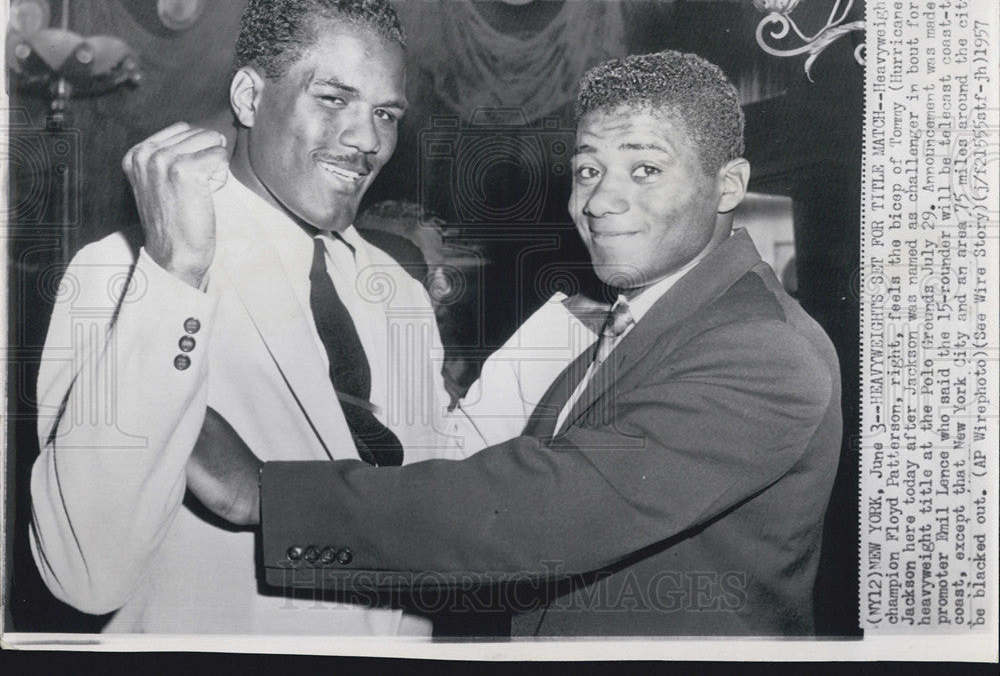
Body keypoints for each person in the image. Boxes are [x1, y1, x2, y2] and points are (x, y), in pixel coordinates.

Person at [186, 49, 845, 636]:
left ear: (728, 185)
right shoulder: (636, 318)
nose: (599, 201)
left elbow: (538, 512)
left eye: (644, 168)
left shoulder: (764, 348)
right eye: (587, 170)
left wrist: (267, 497)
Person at [29, 0, 481, 634]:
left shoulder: (399, 291)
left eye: (386, 113)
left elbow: (430, 517)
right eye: (332, 98)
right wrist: (176, 271)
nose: (367, 140)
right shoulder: (124, 272)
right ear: (248, 95)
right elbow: (85, 573)